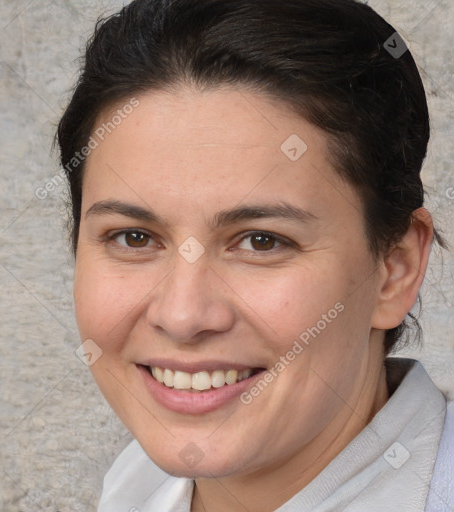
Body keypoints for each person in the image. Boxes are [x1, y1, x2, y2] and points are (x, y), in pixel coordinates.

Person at [55, 0, 454, 510]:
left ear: (394, 270)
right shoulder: (133, 485)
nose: (182, 316)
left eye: (261, 241)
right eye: (134, 238)